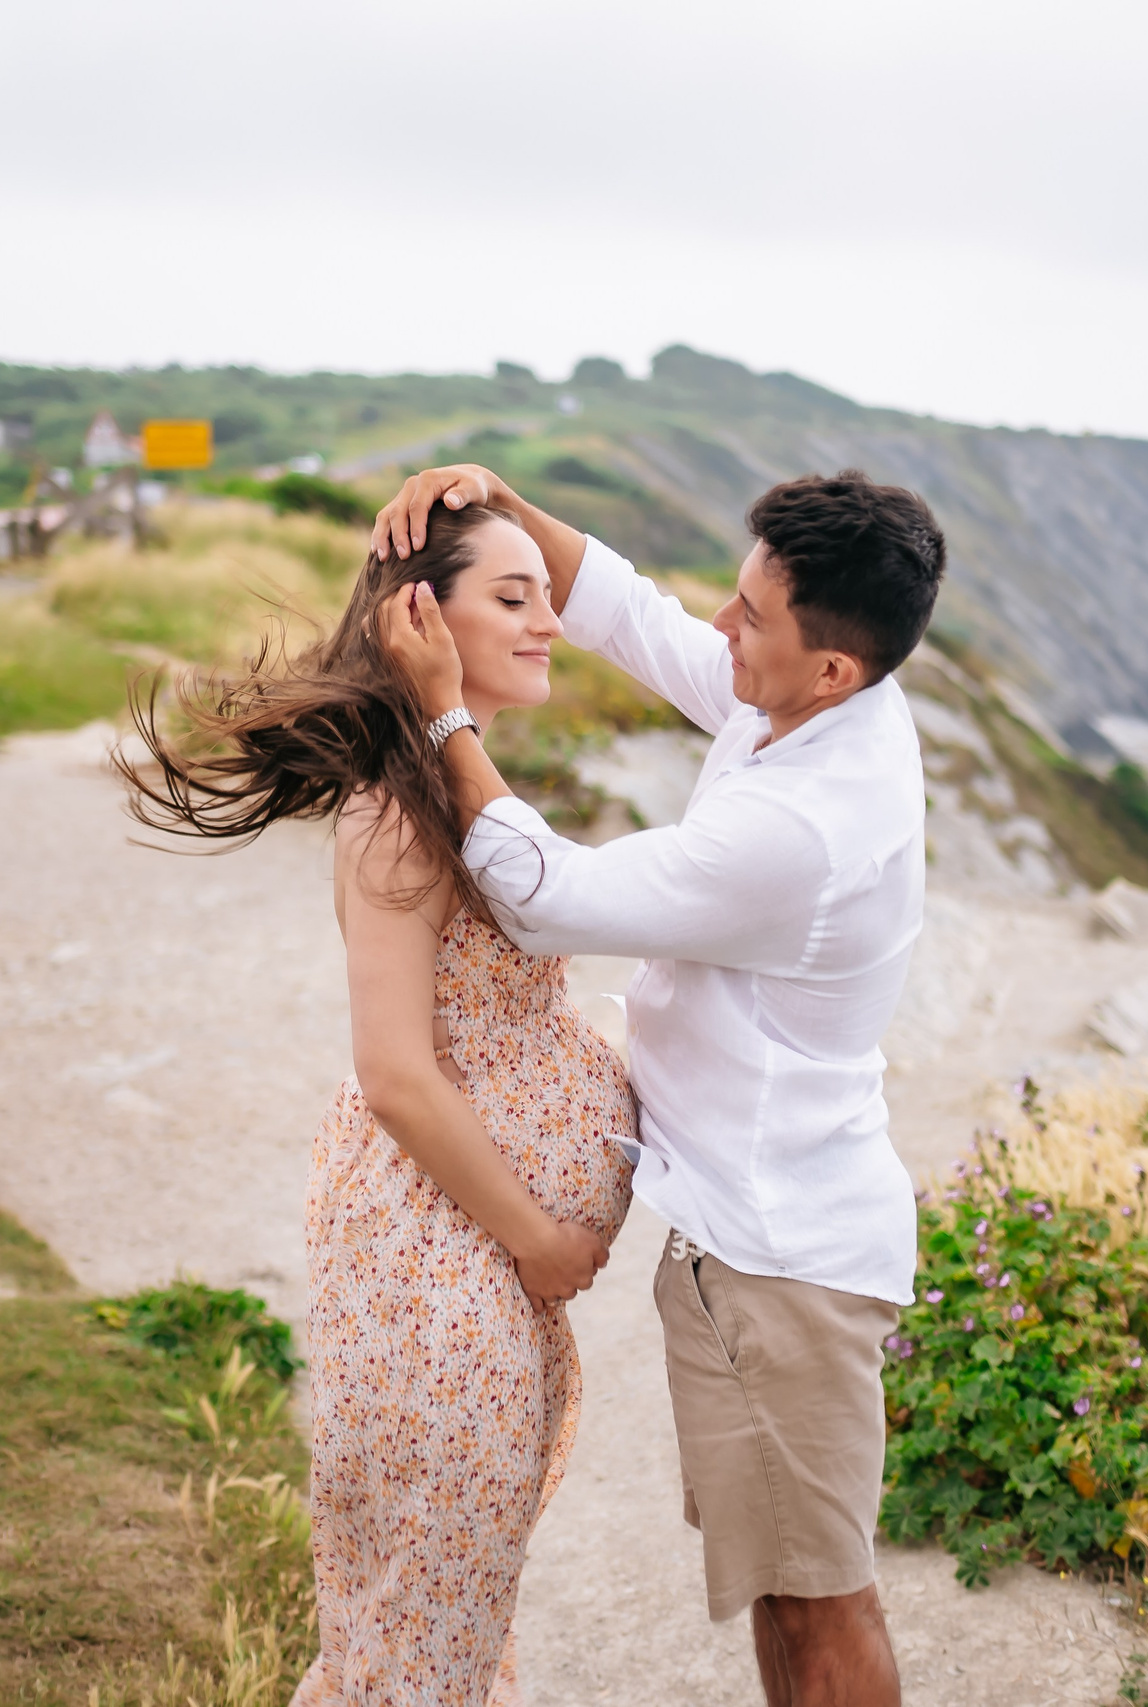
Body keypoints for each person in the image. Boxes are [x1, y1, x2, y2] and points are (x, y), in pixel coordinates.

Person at [375, 464, 946, 1707]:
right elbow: (637, 619)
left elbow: (554, 899)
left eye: (750, 617)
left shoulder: (806, 825)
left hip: (778, 1261)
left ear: (832, 665)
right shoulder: (813, 698)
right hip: (765, 1243)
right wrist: (504, 502)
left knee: (820, 1604)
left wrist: (440, 716)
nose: (722, 629)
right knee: (787, 1591)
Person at [120, 502, 635, 1705]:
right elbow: (397, 1072)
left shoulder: (455, 787)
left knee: (437, 1621)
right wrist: (544, 1239)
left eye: (541, 595)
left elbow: (509, 1016)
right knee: (419, 1632)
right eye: (512, 599)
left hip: (468, 1263)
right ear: (421, 616)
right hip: (435, 1264)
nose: (548, 621)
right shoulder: (398, 820)